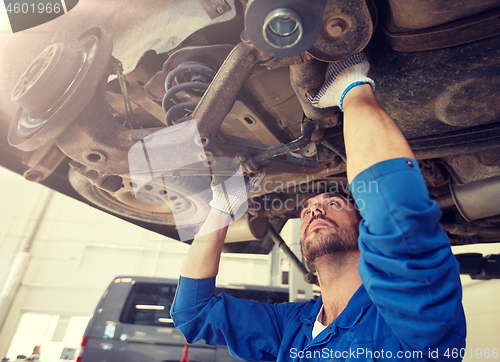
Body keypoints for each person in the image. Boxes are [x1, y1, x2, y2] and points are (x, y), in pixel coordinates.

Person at [170, 53, 466, 361]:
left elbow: (396, 220)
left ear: (366, 226)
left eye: (334, 202)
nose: (314, 211)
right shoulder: (292, 327)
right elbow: (192, 313)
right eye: (307, 209)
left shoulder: (410, 318)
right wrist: (223, 206)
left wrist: (353, 88)